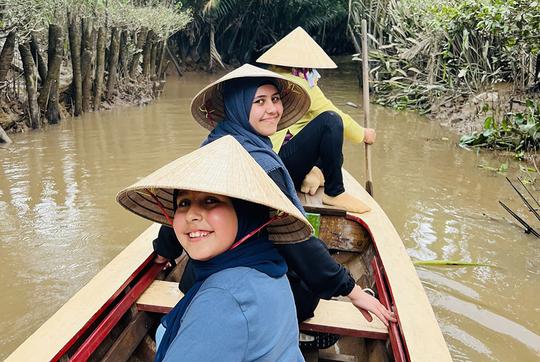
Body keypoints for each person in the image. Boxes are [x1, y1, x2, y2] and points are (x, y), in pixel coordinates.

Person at [186, 64, 396, 337]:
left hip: (195, 279)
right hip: (245, 288)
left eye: (275, 99)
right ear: (237, 106)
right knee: (307, 290)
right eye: (259, 101)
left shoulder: (210, 145)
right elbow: (295, 241)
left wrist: (163, 252)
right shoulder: (264, 167)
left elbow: (177, 211)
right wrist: (351, 289)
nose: (273, 109)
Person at [116, 136, 313, 361]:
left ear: (245, 212)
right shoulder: (268, 265)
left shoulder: (222, 301)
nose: (191, 215)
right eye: (183, 203)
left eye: (210, 201)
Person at [256, 26, 376, 213]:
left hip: (272, 161)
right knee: (331, 121)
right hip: (278, 165)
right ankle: (334, 192)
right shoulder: (300, 84)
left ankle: (315, 174)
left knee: (331, 148)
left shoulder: (270, 77)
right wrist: (364, 134)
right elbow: (334, 114)